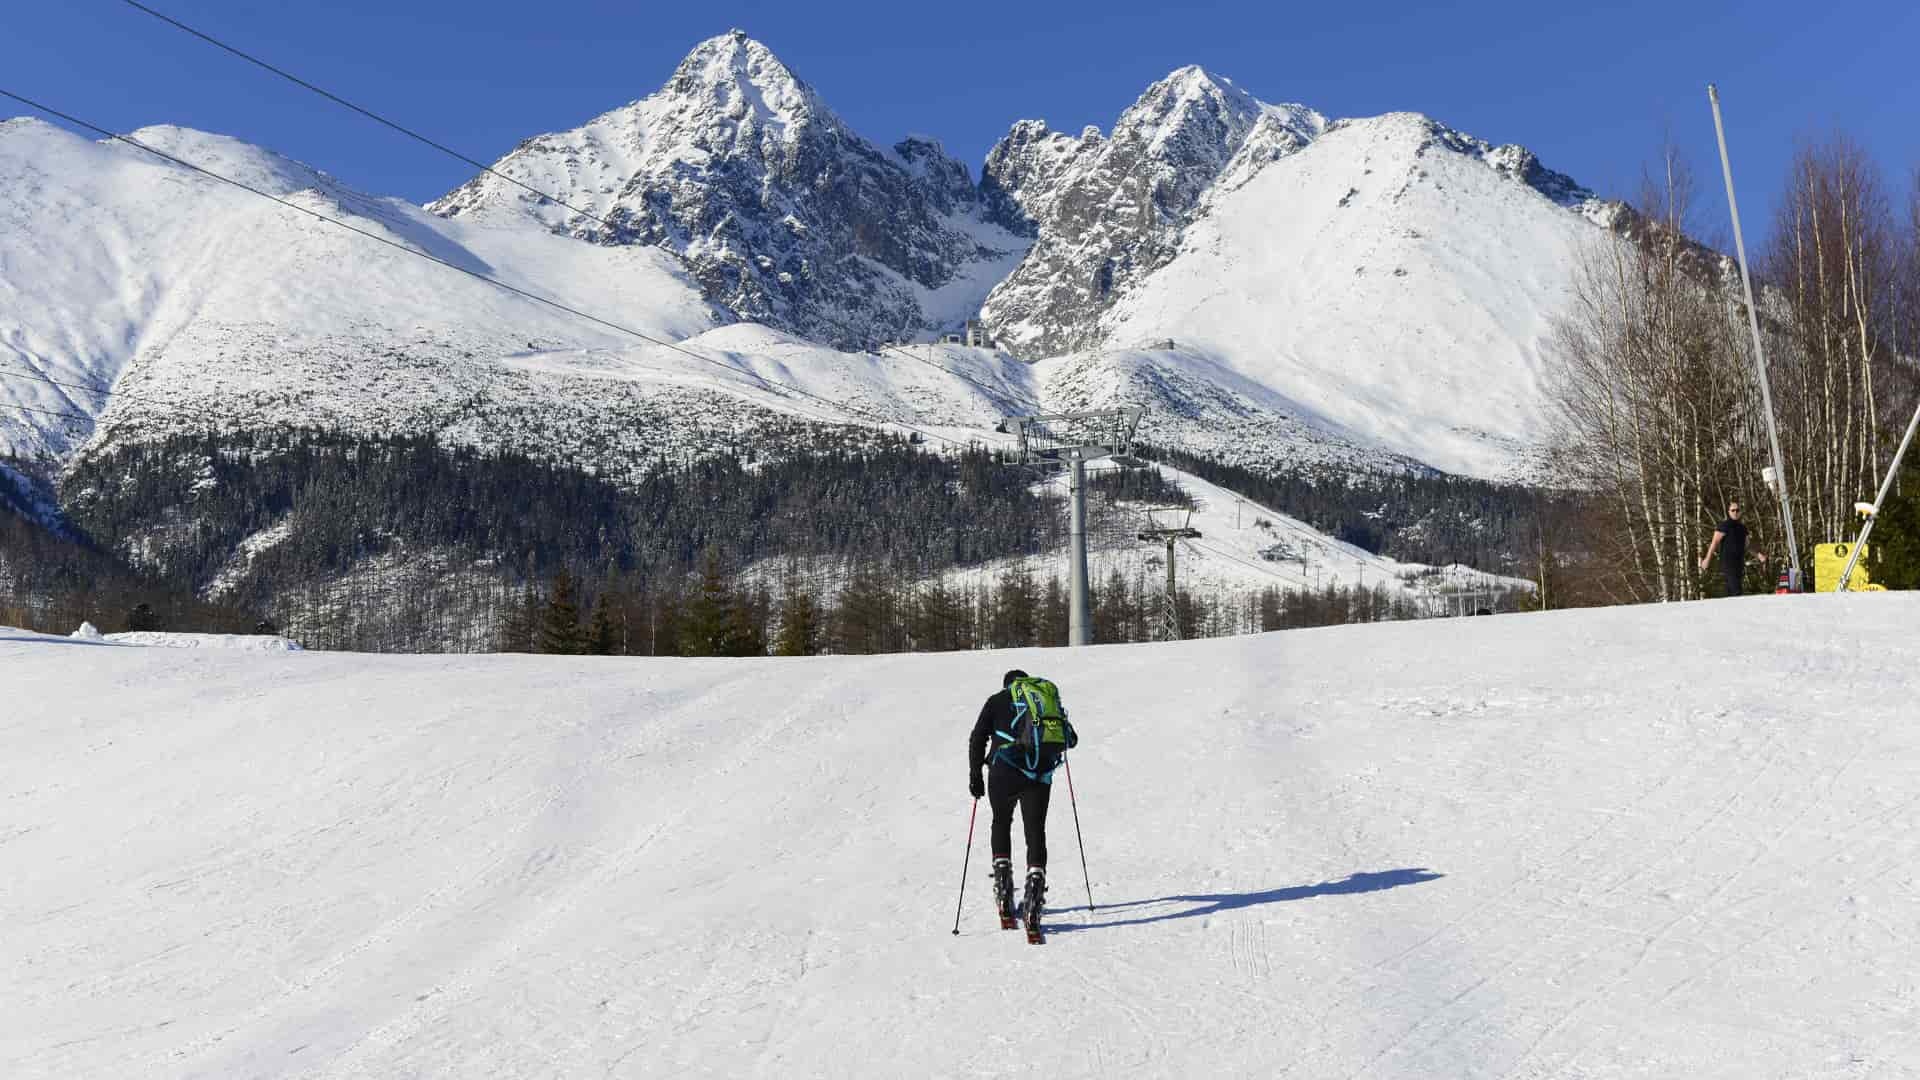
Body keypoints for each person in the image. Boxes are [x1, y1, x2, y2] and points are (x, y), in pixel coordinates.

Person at [968, 669, 1077, 927]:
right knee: (1035, 830)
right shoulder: (1043, 700)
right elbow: (1070, 737)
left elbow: (978, 737)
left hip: (1003, 771)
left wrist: (975, 774)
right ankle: (1035, 889)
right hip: (1039, 774)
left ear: (1007, 685)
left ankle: (1004, 890)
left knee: (1001, 822)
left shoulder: (997, 700)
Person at [1699, 501, 1768, 597]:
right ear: (1729, 512)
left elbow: (1747, 546)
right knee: (1736, 591)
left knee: (1732, 591)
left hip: (1739, 562)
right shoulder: (1724, 526)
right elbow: (1714, 543)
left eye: (1737, 510)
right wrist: (1707, 559)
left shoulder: (1743, 528)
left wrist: (1758, 555)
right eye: (1733, 510)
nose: (1735, 512)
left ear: (1740, 512)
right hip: (1728, 562)